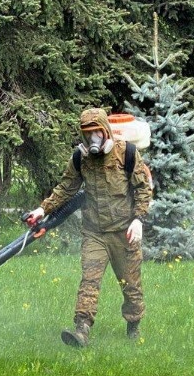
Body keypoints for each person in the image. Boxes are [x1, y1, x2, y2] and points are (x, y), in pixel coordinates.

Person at [26, 108, 152, 348]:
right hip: (94, 233)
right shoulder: (80, 158)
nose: (93, 138)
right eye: (88, 133)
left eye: (97, 132)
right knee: (89, 281)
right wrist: (42, 210)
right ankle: (81, 330)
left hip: (124, 232)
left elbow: (143, 189)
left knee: (131, 285)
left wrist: (138, 220)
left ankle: (134, 325)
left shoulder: (127, 153)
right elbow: (66, 188)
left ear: (105, 131)